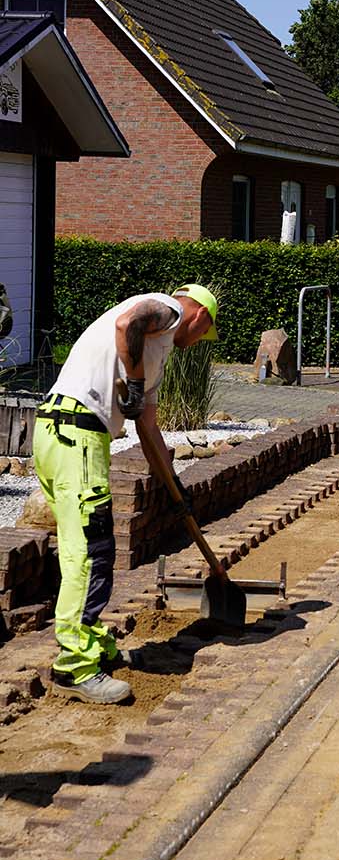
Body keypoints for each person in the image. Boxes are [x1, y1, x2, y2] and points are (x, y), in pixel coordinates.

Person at [33, 285, 219, 706]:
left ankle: (92, 642)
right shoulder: (167, 310)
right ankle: (75, 666)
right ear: (200, 318)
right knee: (91, 552)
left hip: (67, 436)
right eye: (202, 334)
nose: (195, 344)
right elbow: (127, 323)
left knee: (82, 548)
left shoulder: (157, 351)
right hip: (76, 432)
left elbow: (148, 429)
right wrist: (133, 384)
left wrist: (175, 489)